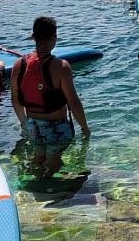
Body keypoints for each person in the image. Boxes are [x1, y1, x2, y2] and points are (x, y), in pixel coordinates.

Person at [10, 16, 90, 177]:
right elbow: (73, 102)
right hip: (56, 127)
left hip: (32, 126)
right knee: (55, 160)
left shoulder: (19, 64)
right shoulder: (61, 66)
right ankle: (50, 193)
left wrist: (25, 124)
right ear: (55, 39)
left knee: (38, 156)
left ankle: (32, 185)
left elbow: (15, 99)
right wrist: (84, 127)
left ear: (33, 37)